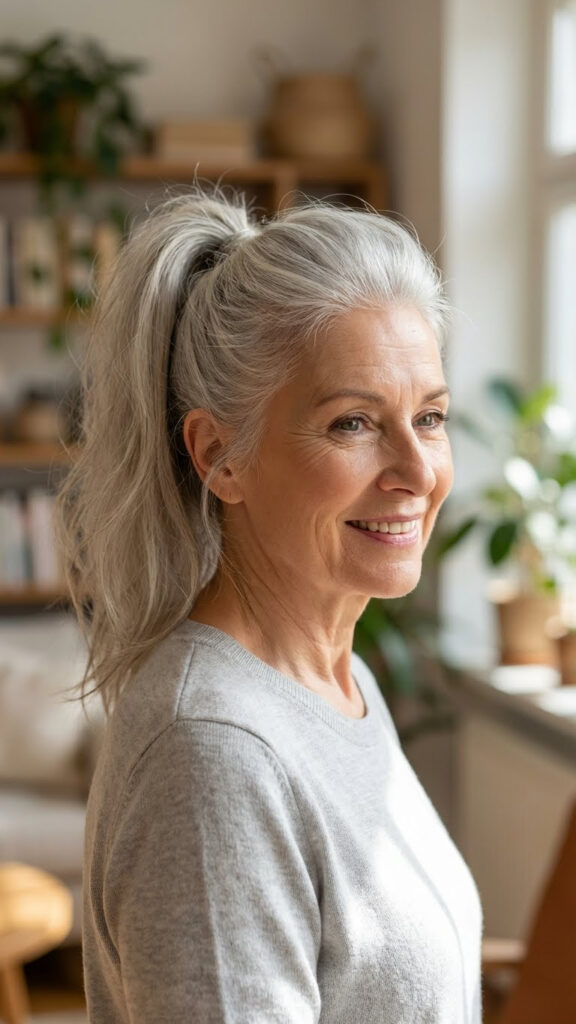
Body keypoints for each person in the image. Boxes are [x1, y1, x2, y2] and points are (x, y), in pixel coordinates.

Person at [55, 188, 483, 1023]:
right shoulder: (213, 751)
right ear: (221, 457)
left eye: (428, 417)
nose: (416, 470)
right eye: (353, 423)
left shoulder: (339, 680)